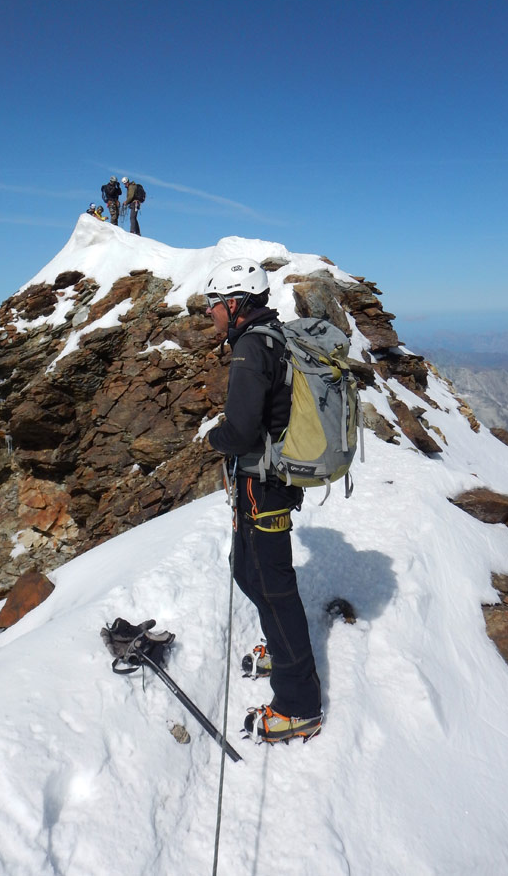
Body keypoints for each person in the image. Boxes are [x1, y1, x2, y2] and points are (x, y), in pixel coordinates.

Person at [203, 257, 323, 744]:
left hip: (262, 486)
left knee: (274, 587)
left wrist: (215, 437)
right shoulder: (271, 338)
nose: (210, 312)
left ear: (235, 302)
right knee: (249, 572)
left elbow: (241, 429)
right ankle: (281, 644)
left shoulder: (251, 349)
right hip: (269, 481)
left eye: (214, 303)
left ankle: (299, 705)